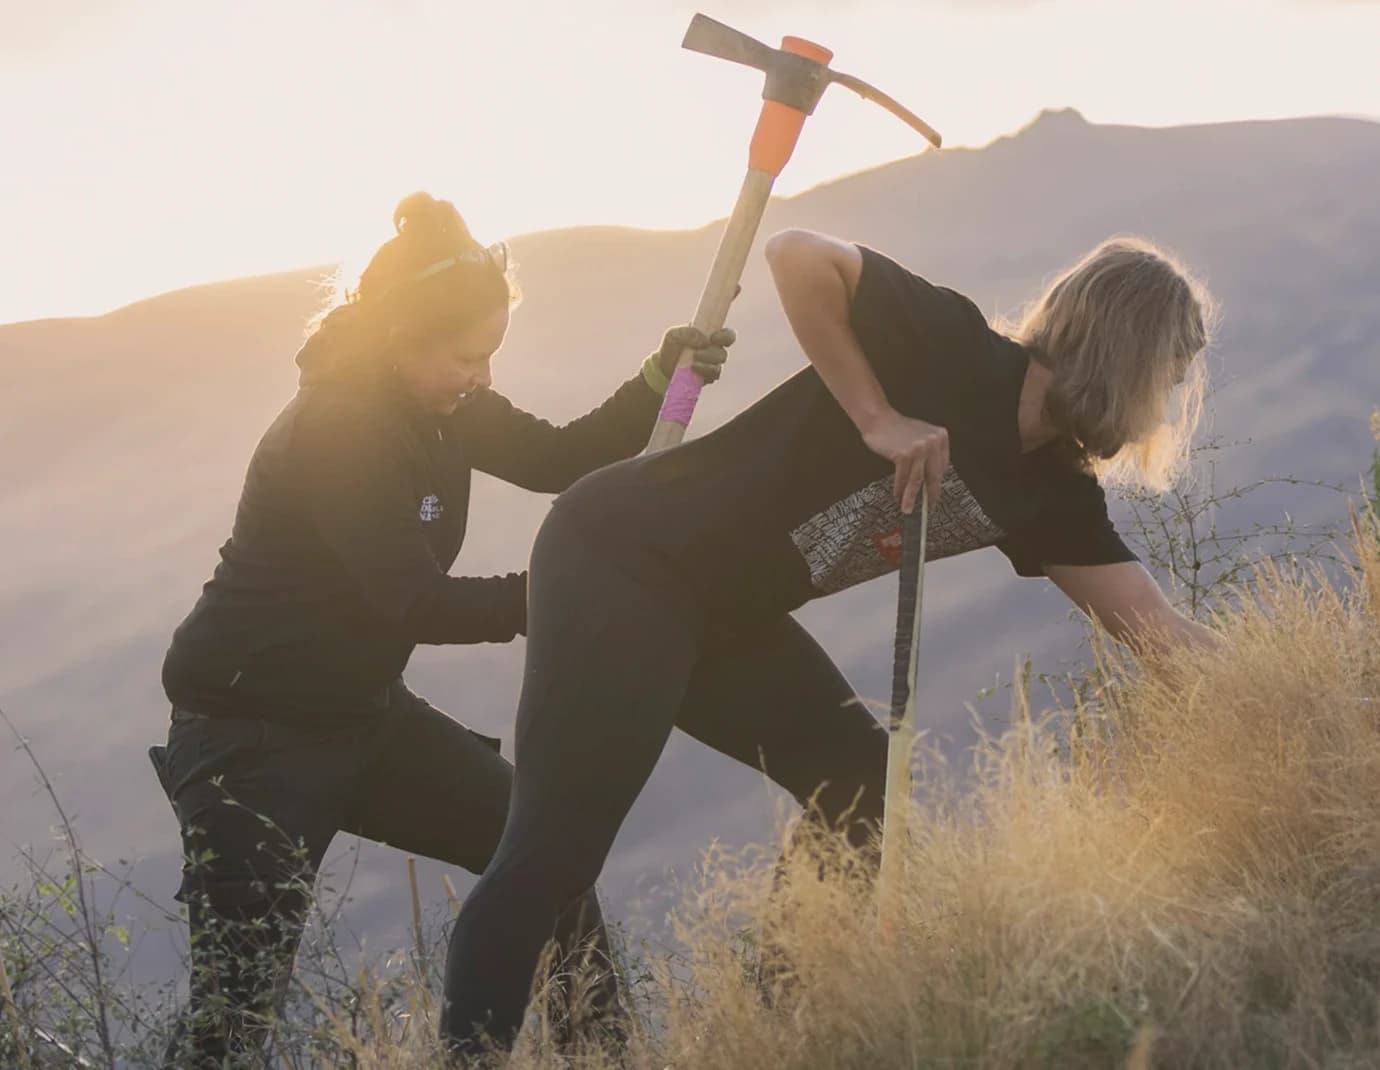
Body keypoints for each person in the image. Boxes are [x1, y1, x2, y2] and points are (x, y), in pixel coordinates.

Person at [440, 228, 1221, 1054]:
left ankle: (772, 1033)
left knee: (861, 782)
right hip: (622, 558)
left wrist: (1310, 694)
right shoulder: (954, 347)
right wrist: (877, 417)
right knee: (554, 851)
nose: (1166, 403)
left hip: (719, 614)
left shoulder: (1051, 490)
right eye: (1169, 376)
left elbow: (1159, 634)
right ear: (1128, 354)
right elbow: (795, 254)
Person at [148, 191, 735, 1067]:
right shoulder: (336, 430)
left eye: (491, 354)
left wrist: (664, 378)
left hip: (362, 715)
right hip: (250, 739)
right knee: (235, 1026)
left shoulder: (444, 408)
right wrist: (572, 590)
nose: (483, 376)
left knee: (546, 861)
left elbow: (559, 457)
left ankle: (602, 1055)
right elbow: (417, 604)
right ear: (400, 340)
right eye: (467, 356)